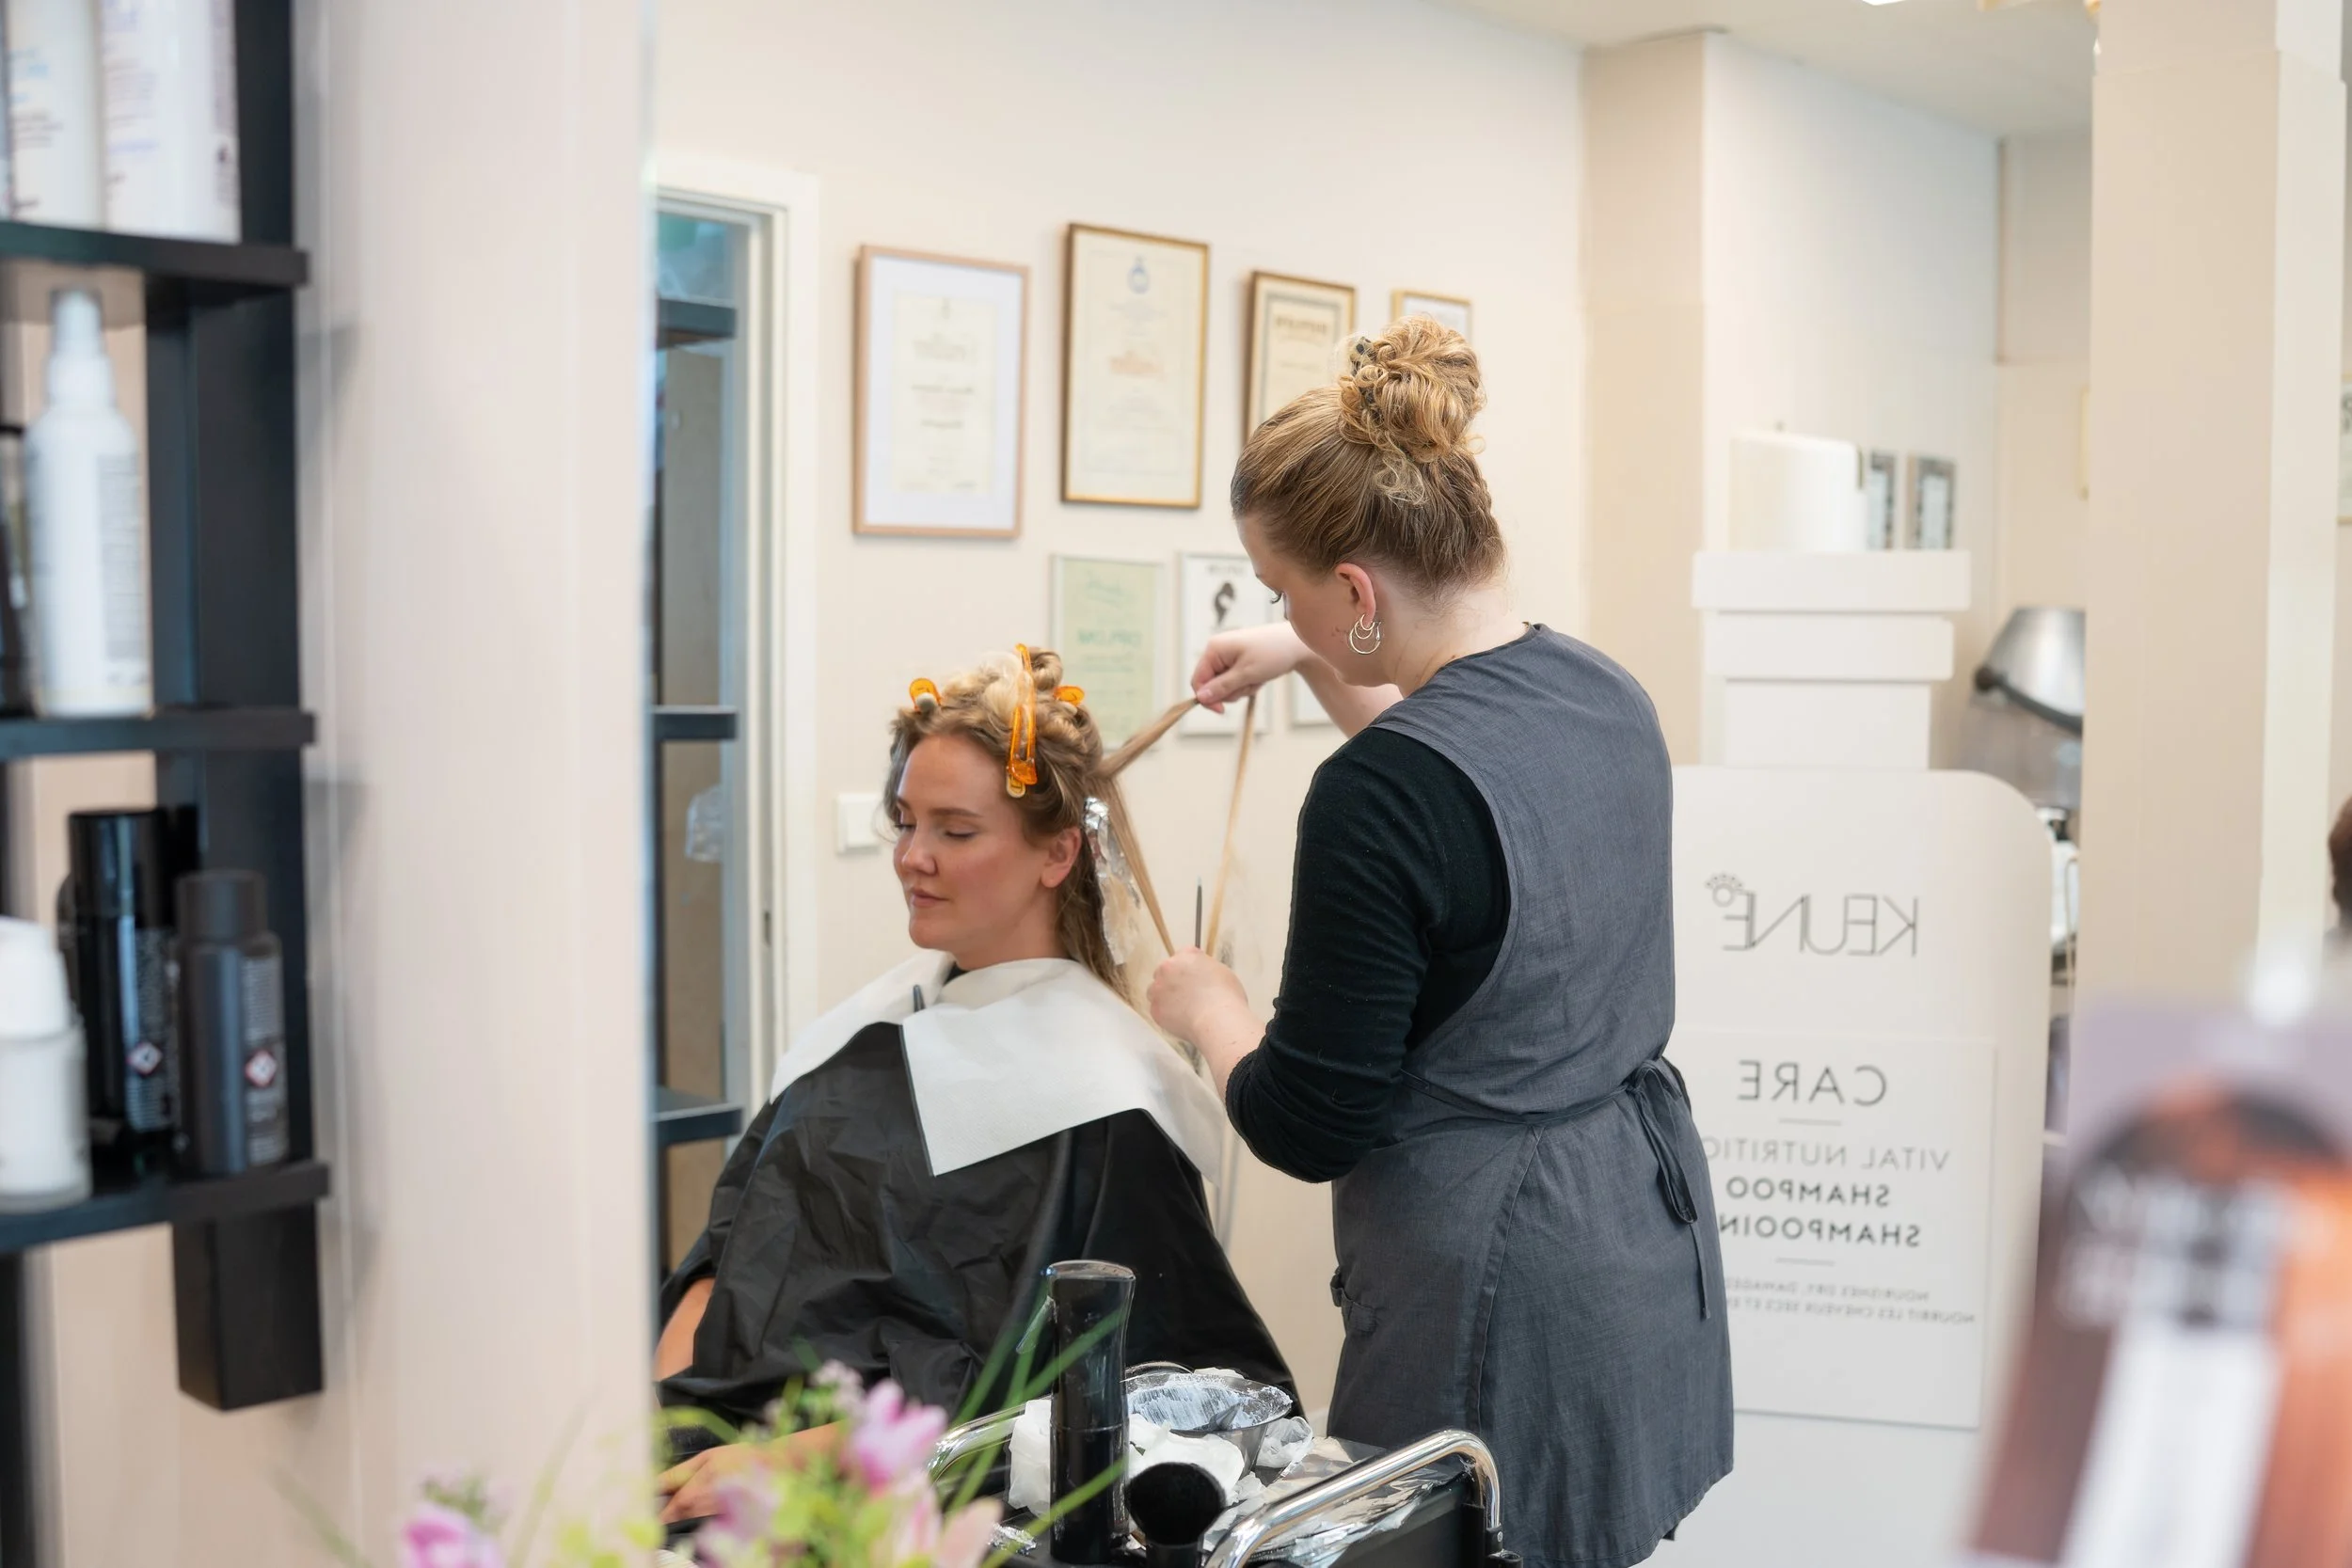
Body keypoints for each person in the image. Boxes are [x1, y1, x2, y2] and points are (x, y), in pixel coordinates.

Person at [1147, 318, 1732, 1568]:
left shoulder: (1377, 799)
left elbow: (1309, 1118)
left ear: (1356, 587)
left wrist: (1206, 1002)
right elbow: (1457, 790)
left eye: (1284, 588)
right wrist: (1305, 648)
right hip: (1632, 1239)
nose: (1282, 609)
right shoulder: (1602, 691)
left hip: (1500, 1290)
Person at [655, 648, 1292, 1525]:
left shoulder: (1107, 1094)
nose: (914, 858)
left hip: (906, 1504)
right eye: (905, 821)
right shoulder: (855, 1033)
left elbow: (1122, 1394)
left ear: (1058, 852)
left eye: (956, 831)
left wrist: (808, 1463)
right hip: (712, 1460)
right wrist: (661, 1424)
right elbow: (726, 1256)